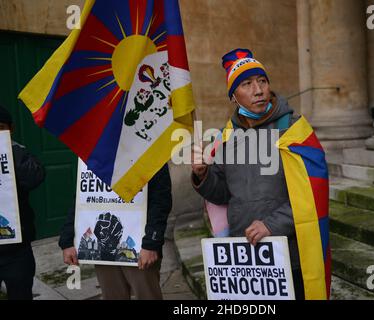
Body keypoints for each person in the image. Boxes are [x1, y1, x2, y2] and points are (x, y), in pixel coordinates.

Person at [191, 49, 331, 300]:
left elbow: (312, 195)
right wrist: (203, 176)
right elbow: (223, 194)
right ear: (234, 96)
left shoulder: (294, 130)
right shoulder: (228, 138)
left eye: (262, 81)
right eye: (247, 84)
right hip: (245, 258)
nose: (258, 90)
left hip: (289, 256)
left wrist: (270, 225)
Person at [58, 164, 172, 300]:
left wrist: (151, 243)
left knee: (146, 295)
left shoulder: (151, 151)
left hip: (140, 245)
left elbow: (161, 201)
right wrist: (67, 240)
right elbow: (82, 199)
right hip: (104, 251)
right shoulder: (94, 152)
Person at [0, 104, 45, 300]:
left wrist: (8, 151)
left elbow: (35, 177)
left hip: (16, 249)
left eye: (0, 128)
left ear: (11, 129)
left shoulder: (19, 152)